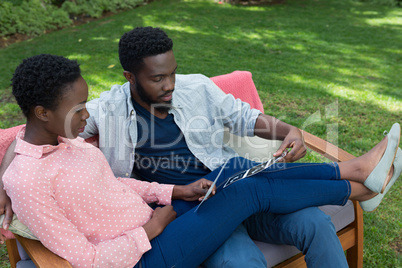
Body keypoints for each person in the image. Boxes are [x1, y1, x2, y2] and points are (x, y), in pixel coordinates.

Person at [1, 54, 401, 268]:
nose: (84, 115)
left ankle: (354, 180)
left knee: (245, 181)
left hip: (177, 208)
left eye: (171, 72)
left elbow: (117, 184)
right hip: (152, 245)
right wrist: (150, 229)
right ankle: (355, 181)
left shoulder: (71, 144)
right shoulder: (38, 171)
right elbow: (84, 261)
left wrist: (174, 191)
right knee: (241, 187)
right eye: (77, 107)